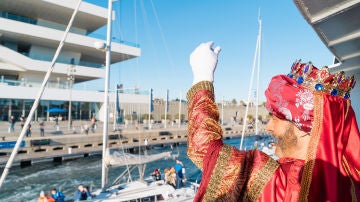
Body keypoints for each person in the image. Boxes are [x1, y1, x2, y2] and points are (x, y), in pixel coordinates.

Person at [187, 41, 360, 201]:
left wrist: (202, 76)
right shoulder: (351, 179)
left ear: (302, 128)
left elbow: (204, 148)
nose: (268, 127)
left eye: (276, 117)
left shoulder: (282, 182)